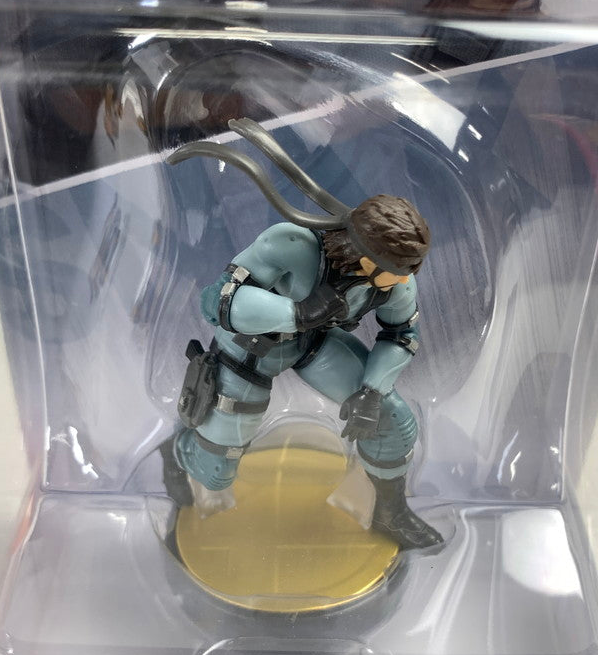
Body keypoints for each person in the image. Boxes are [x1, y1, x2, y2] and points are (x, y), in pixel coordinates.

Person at [159, 119, 442, 550]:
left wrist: (372, 390)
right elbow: (215, 301)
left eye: (407, 271)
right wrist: (295, 312)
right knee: (216, 469)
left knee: (390, 419)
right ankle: (180, 451)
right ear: (366, 254)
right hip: (250, 352)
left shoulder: (396, 280)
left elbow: (402, 334)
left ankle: (391, 513)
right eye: (394, 270)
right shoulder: (291, 246)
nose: (401, 281)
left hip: (314, 347)